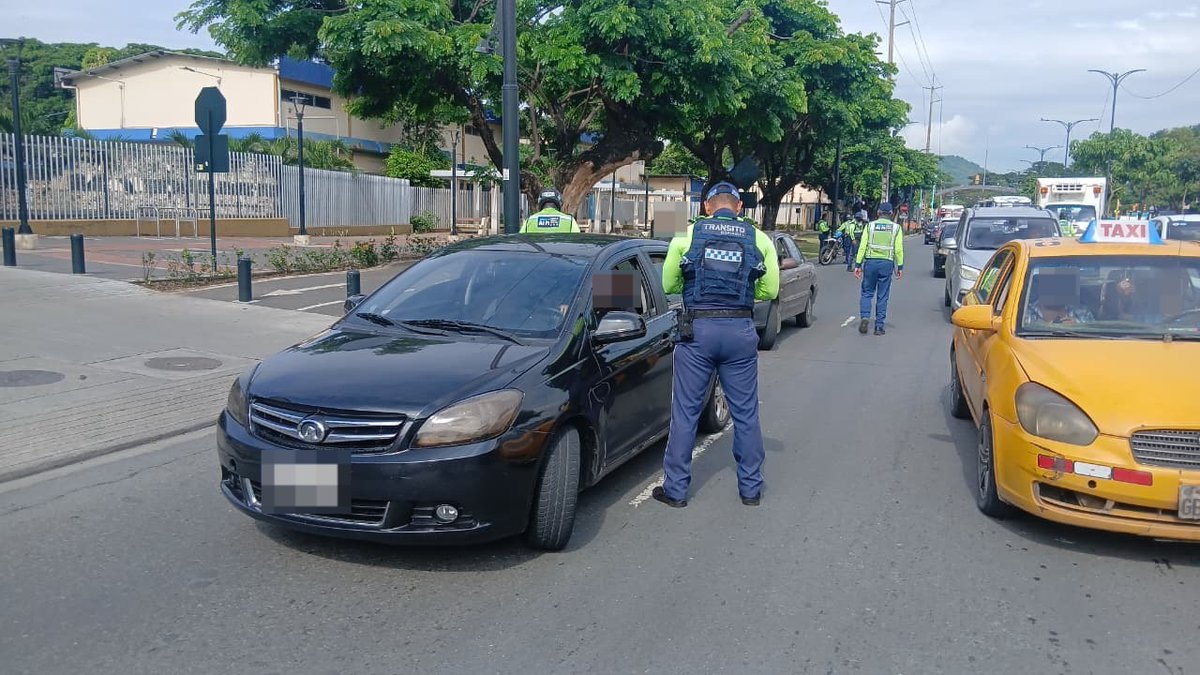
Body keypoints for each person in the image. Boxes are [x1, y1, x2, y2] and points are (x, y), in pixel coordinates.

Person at [656, 182, 780, 508]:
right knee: (746, 414)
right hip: (740, 331)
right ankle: (751, 489)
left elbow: (668, 283)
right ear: (740, 208)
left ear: (707, 207)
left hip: (698, 332)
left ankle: (676, 490)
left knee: (686, 413)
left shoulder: (686, 236)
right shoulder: (759, 238)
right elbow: (770, 289)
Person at [854, 202, 905, 335]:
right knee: (882, 296)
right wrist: (900, 266)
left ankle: (865, 317)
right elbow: (899, 250)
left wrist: (858, 264)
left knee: (867, 293)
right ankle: (878, 326)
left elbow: (862, 246)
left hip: (870, 263)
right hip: (886, 264)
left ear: (878, 212)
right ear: (891, 213)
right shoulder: (896, 228)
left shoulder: (870, 226)